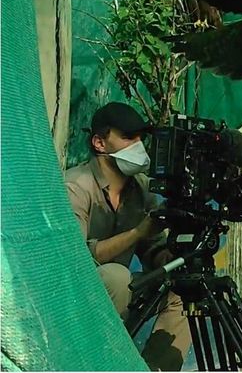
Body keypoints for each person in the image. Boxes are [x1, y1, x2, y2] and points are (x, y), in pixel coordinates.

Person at [64, 102, 190, 371]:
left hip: (122, 295)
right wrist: (137, 232)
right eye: (128, 137)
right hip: (76, 299)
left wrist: (177, 255)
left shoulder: (141, 189)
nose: (138, 145)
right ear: (99, 143)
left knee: (184, 288)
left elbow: (152, 250)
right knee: (117, 276)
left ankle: (155, 368)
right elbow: (75, 260)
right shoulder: (76, 186)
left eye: (141, 138)